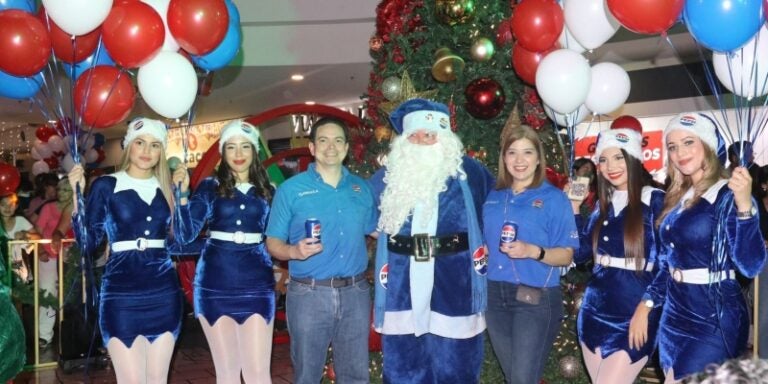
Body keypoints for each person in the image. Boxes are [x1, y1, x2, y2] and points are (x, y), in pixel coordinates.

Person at [370, 98, 495, 384]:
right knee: (404, 365)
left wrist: (487, 239)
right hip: (401, 283)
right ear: (404, 140)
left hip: (454, 280)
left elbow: (499, 206)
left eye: (430, 134)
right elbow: (359, 210)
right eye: (414, 135)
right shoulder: (387, 177)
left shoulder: (472, 173)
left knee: (456, 364)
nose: (422, 141)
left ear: (445, 137)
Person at [647, 113, 767, 383]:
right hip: (675, 312)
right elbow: (666, 262)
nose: (680, 153)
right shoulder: (678, 197)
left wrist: (745, 206)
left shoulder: (728, 194)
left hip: (714, 314)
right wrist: (647, 303)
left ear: (709, 146)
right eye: (673, 146)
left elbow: (751, 264)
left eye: (689, 142)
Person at [69, 118, 184, 383]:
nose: (146, 151)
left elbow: (180, 240)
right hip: (121, 295)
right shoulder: (106, 185)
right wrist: (78, 198)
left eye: (155, 145)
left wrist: (185, 196)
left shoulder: (168, 189)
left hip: (163, 293)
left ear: (161, 152)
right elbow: (88, 242)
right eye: (140, 142)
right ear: (129, 145)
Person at [265, 117, 376, 384]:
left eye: (338, 140)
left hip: (356, 294)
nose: (331, 147)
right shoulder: (291, 190)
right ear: (312, 148)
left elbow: (376, 229)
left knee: (356, 375)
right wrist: (294, 251)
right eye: (323, 140)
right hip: (308, 295)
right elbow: (272, 244)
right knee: (307, 374)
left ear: (347, 148)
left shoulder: (362, 189)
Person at [173, 120, 275, 383]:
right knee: (227, 373)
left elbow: (279, 236)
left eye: (245, 147)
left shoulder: (269, 191)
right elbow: (185, 235)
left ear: (254, 151)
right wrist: (182, 196)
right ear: (223, 152)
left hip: (257, 285)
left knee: (258, 374)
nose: (239, 154)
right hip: (215, 285)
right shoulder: (210, 186)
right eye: (231, 147)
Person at [481, 122, 578, 384]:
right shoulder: (493, 197)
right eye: (512, 152)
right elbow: (486, 244)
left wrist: (532, 251)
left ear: (538, 160)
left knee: (522, 378)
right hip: (493, 296)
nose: (519, 160)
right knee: (514, 377)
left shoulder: (554, 199)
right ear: (504, 158)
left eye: (527, 152)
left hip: (534, 296)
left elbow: (567, 256)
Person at [570, 128, 664, 384]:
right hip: (594, 313)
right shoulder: (603, 205)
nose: (611, 166)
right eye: (604, 159)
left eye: (619, 157)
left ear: (634, 159)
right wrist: (575, 209)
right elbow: (579, 254)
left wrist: (646, 308)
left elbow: (667, 264)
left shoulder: (656, 201)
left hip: (635, 313)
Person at [34, 177, 73, 349]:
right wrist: (41, 250)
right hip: (49, 257)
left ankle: (72, 332)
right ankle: (45, 334)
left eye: (66, 190)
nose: (61, 193)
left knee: (72, 295)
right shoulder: (48, 208)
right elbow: (37, 232)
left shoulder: (77, 208)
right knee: (49, 293)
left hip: (71, 259)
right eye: (60, 189)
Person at [0, 192, 40, 284]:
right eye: (3, 205)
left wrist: (25, 234)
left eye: (11, 205)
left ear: (16, 206)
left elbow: (38, 237)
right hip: (1, 268)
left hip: (17, 265)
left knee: (18, 289)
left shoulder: (20, 221)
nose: (7, 208)